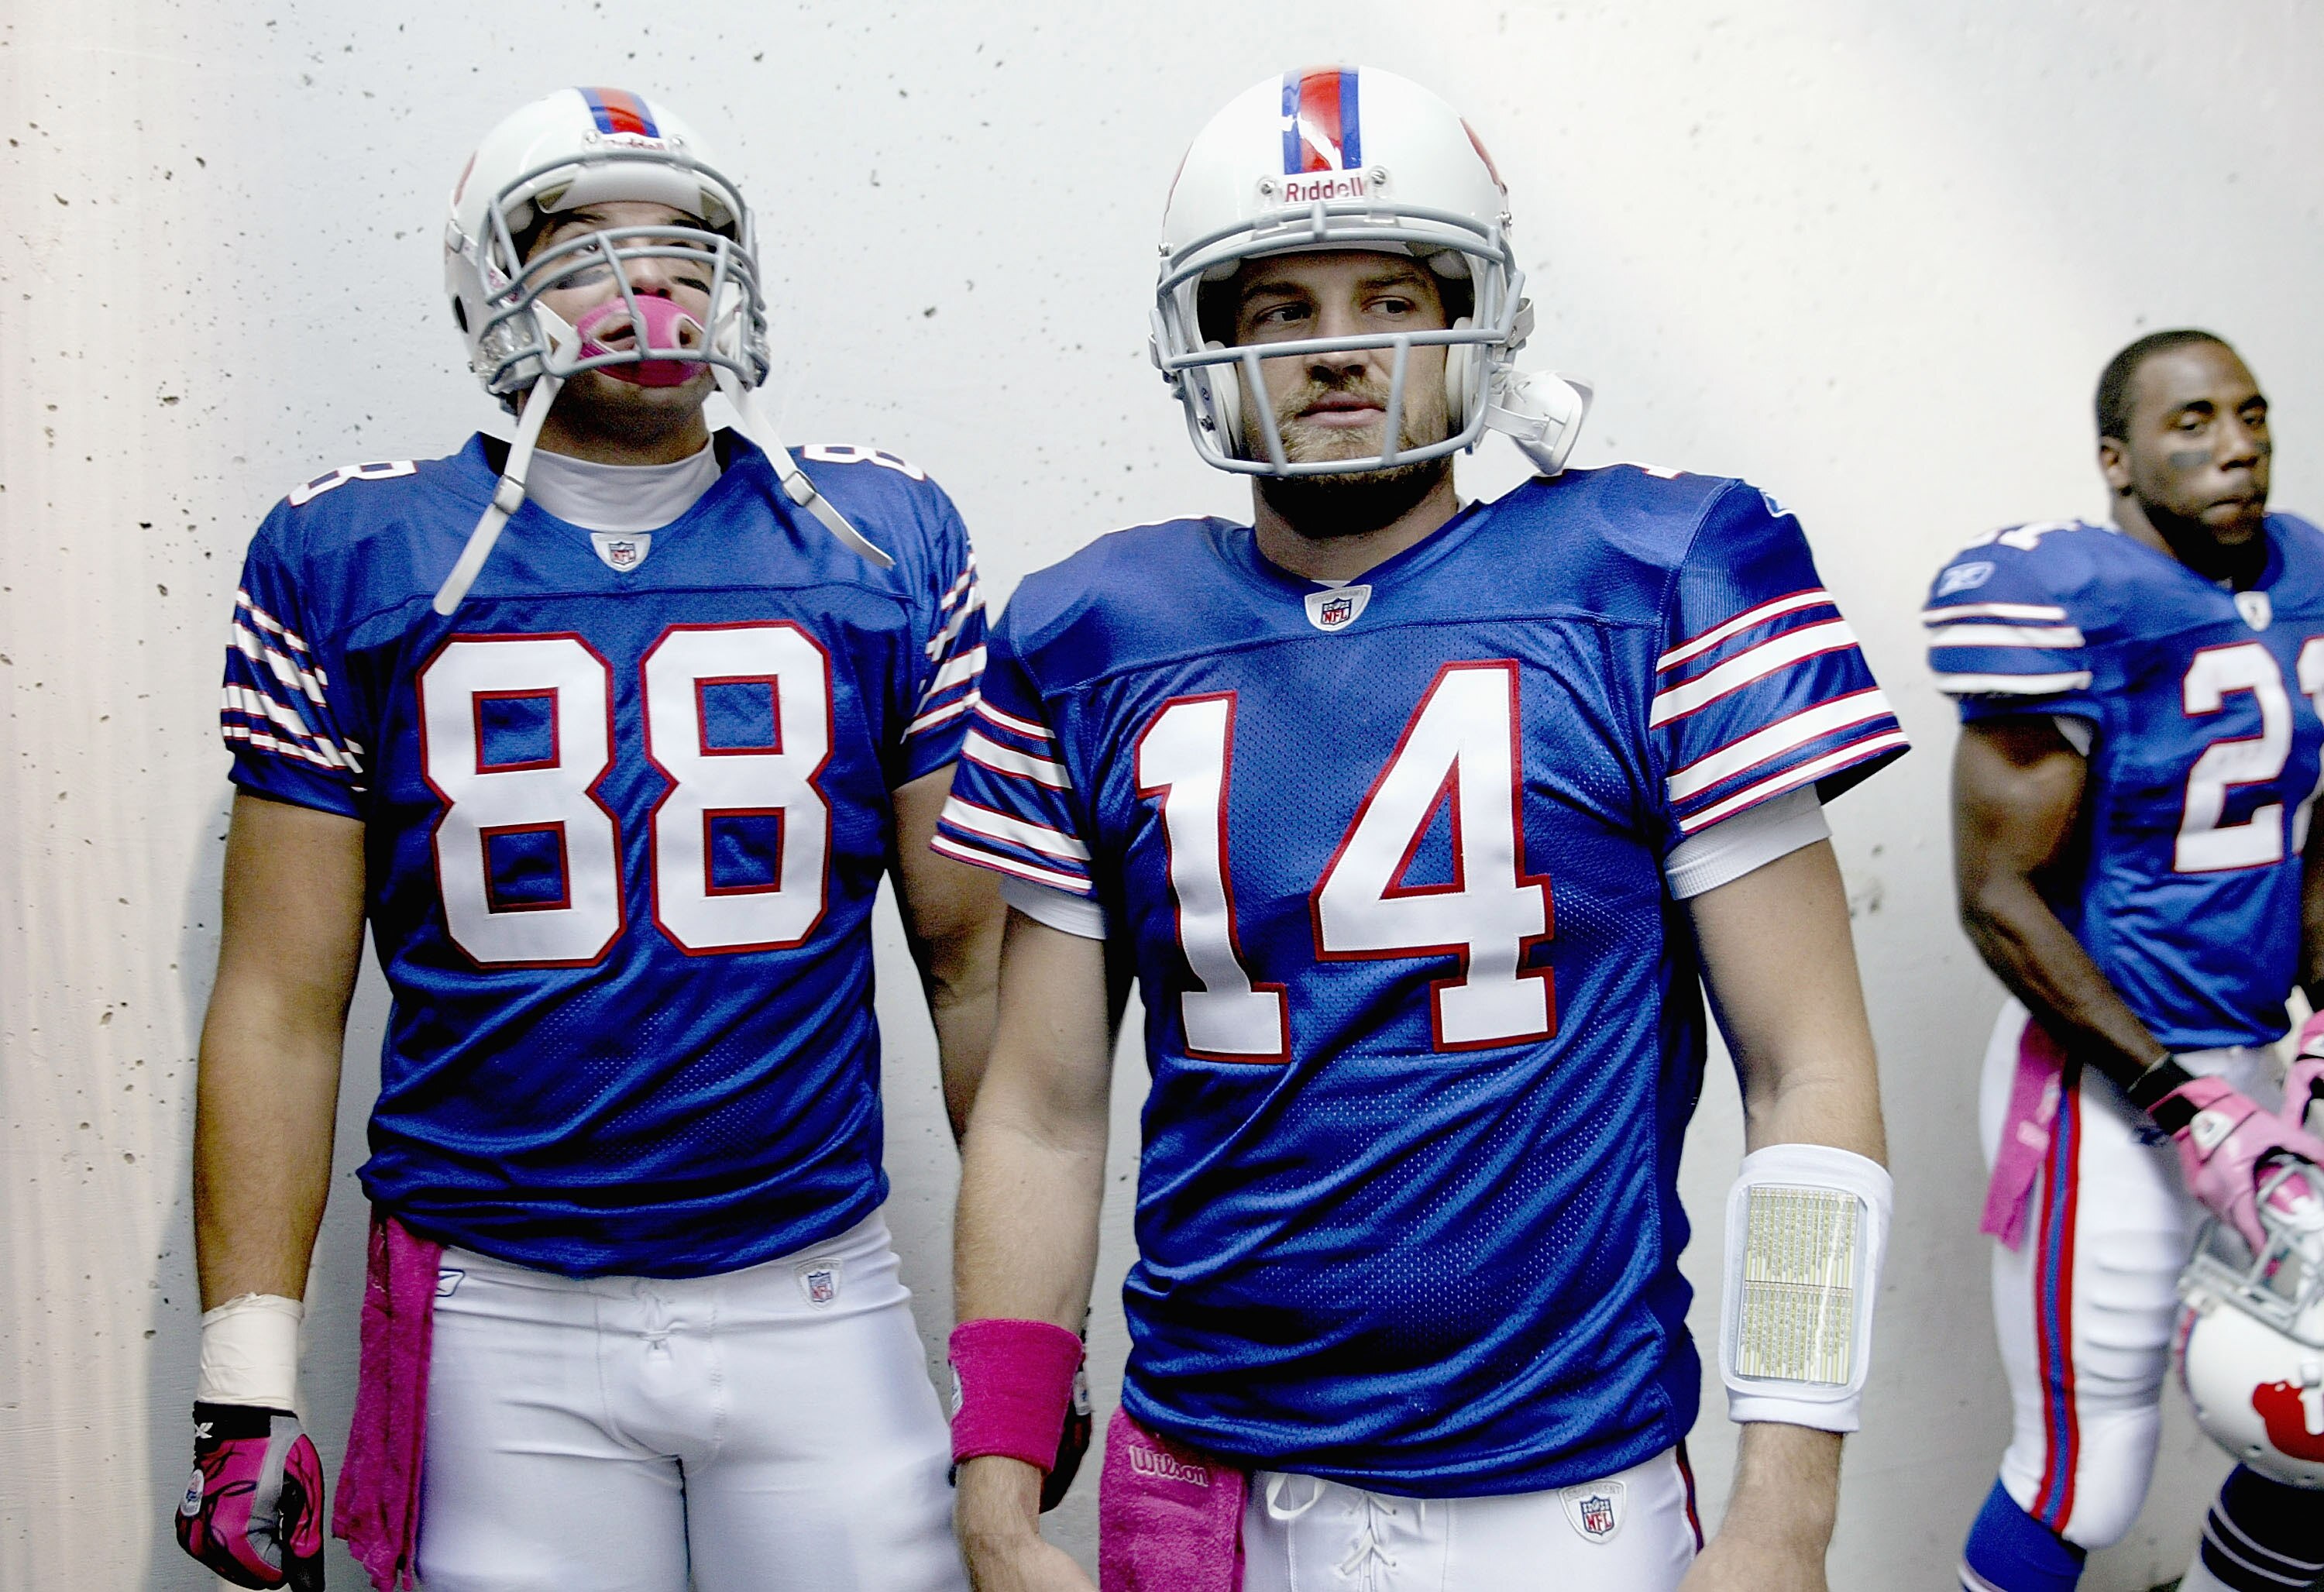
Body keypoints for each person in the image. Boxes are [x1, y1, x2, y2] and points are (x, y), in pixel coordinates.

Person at [936, 67, 1906, 1592]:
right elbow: (1042, 1107)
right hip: (1201, 1489)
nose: (1338, 350)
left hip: (1561, 1492)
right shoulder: (1094, 630)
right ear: (1213, 346)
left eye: (1390, 296)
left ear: (1479, 321)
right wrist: (996, 1496)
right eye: (1282, 312)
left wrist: (1787, 1504)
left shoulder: (1653, 573)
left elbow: (1809, 1069)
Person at [172, 85, 994, 1592]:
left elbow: (978, 972)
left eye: (681, 244)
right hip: (497, 1310)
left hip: (818, 1282)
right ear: (494, 289)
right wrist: (247, 1377)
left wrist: (1020, 1335)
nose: (647, 281)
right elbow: (283, 998)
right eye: (587, 247)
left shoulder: (882, 540)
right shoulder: (351, 553)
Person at [1930, 328, 2324, 1592]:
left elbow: (2305, 848)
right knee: (2084, 1472)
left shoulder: (2307, 579)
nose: (2238, 445)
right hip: (2105, 1092)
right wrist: (2176, 1100)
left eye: (2252, 414)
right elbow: (1998, 899)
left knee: (2302, 1425)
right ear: (2118, 458)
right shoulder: (2070, 602)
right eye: (2193, 421)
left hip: (2260, 1066)